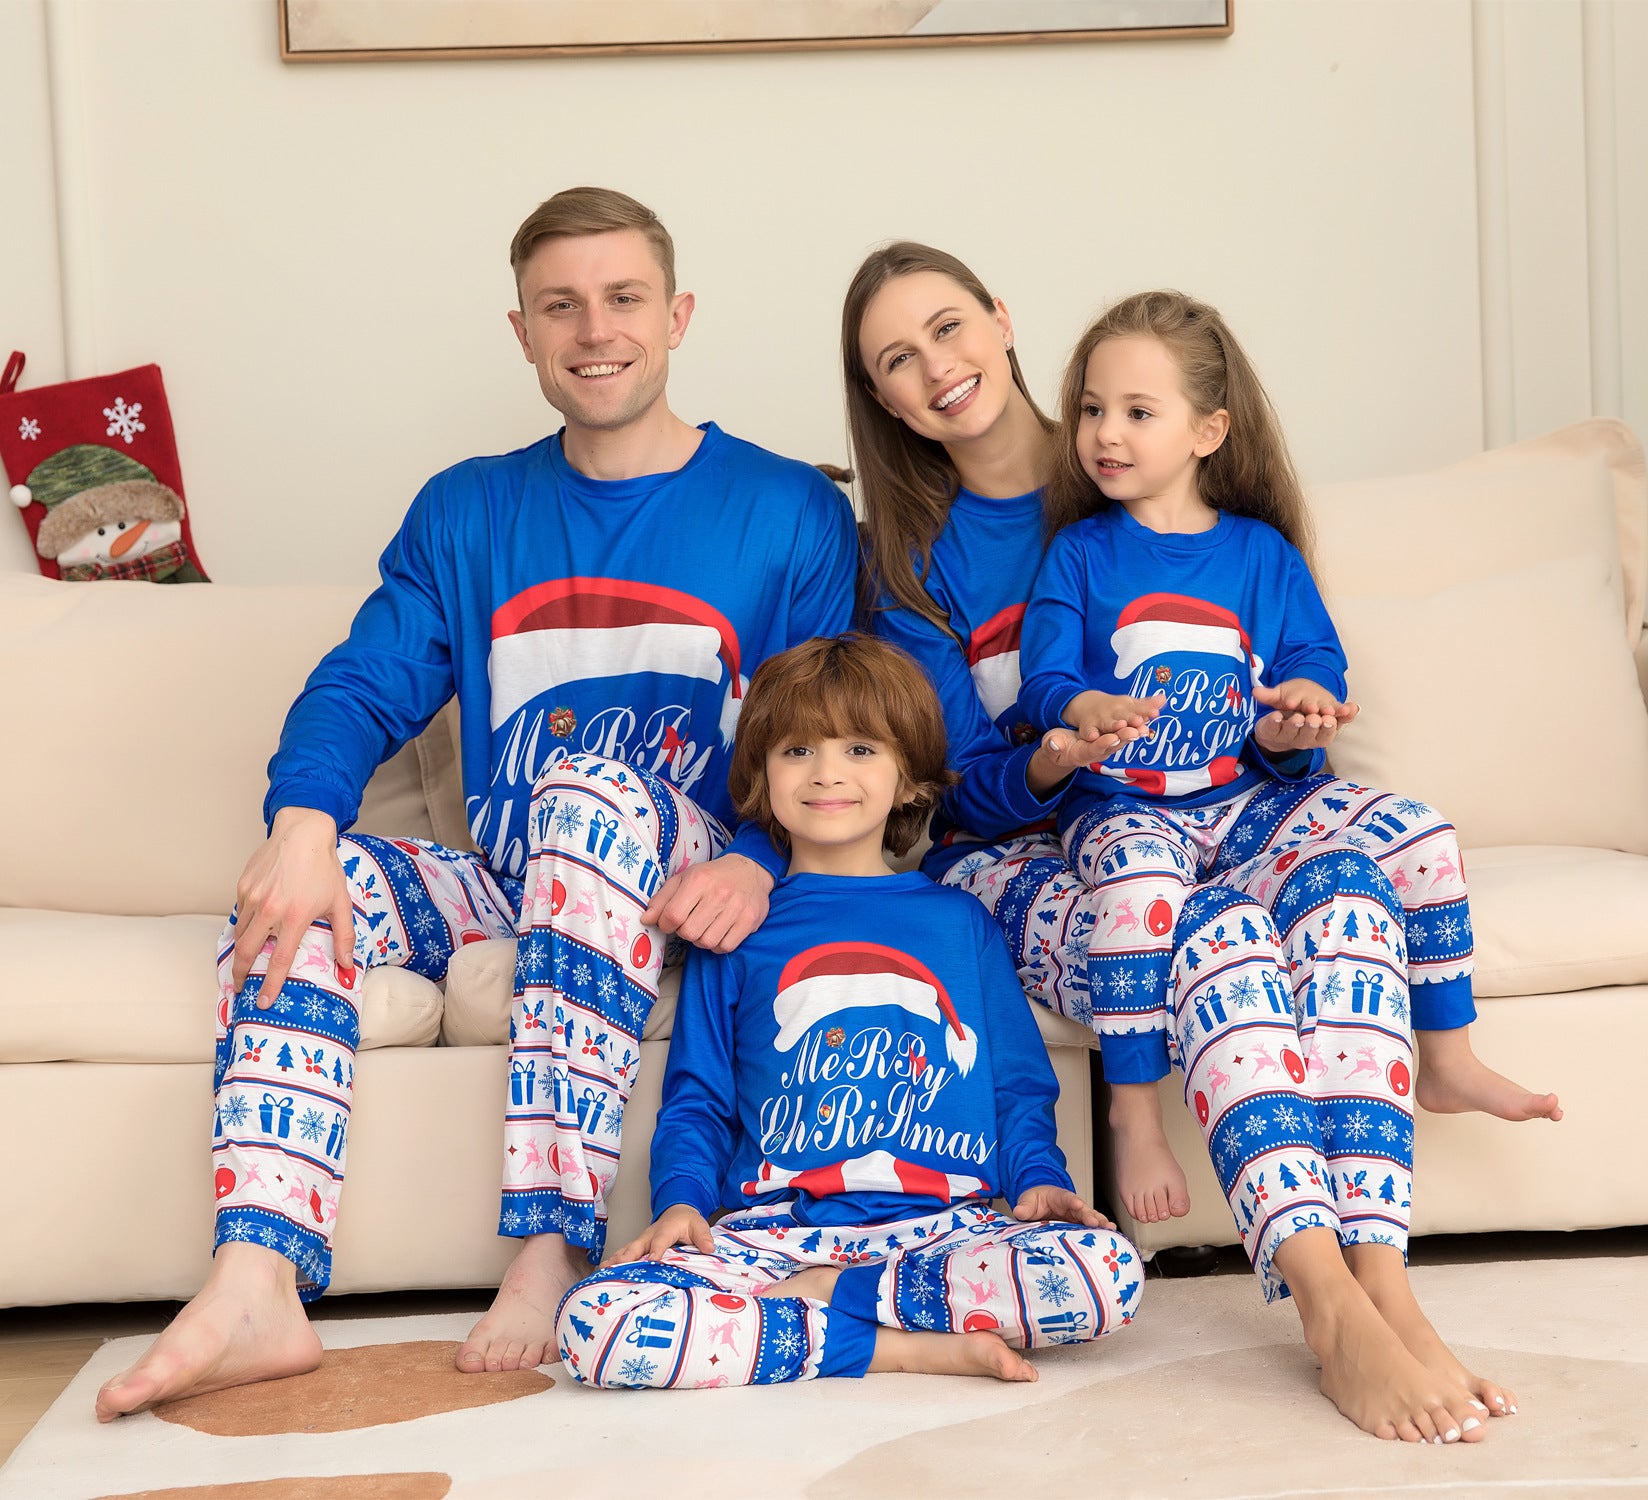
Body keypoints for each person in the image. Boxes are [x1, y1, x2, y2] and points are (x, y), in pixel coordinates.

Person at [94, 187, 857, 1422]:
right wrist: (302, 832)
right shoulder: (467, 510)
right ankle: (256, 1285)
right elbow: (359, 684)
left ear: (678, 317)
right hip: (513, 876)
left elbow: (835, 723)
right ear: (520, 332)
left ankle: (552, 1243)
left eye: (622, 299)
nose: (593, 329)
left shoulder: (789, 511)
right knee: (296, 900)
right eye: (560, 305)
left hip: (684, 874)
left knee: (591, 796)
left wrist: (767, 858)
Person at [1018, 287, 1559, 1441]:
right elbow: (1044, 677)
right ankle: (1132, 1114)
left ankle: (1450, 1056)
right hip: (1131, 811)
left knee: (1407, 832)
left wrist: (1294, 715)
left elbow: (1305, 666)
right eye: (1089, 410)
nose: (1105, 434)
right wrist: (1080, 712)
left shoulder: (1258, 555)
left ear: (1208, 430)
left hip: (1251, 803)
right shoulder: (1079, 550)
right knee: (1136, 889)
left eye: (1137, 411)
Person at [557, 635, 1142, 1389]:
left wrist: (1039, 1176)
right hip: (775, 1235)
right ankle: (902, 1346)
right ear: (761, 776)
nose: (827, 773)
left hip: (944, 1229)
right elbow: (698, 1100)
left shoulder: (961, 922)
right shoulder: (737, 927)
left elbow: (1017, 1086)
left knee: (1107, 1274)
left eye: (861, 749)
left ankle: (826, 1307)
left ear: (908, 780)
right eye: (797, 751)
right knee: (597, 1324)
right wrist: (680, 1204)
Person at [844, 242, 1168, 1236]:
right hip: (1014, 857)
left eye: (948, 328)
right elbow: (961, 791)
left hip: (1179, 830)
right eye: (898, 360)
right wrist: (1046, 763)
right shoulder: (910, 565)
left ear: (1001, 318)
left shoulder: (1136, 464)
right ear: (885, 403)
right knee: (1189, 945)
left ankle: (1360, 1281)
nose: (937, 366)